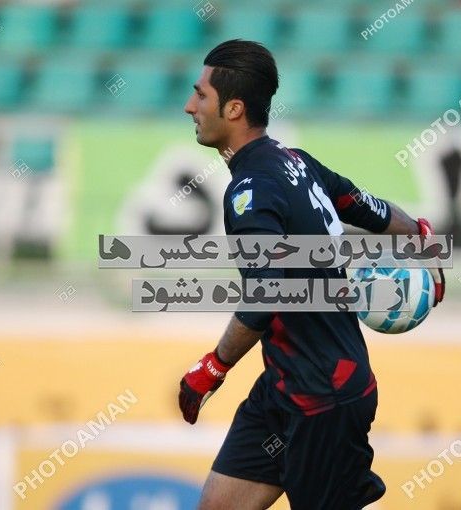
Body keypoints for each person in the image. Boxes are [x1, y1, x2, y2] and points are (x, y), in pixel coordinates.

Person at [178, 39, 445, 510]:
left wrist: (213, 367)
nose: (189, 106)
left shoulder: (251, 192)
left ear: (234, 109)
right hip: (282, 389)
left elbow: (266, 294)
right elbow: (364, 206)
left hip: (324, 399)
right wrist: (422, 236)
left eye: (201, 95)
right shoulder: (296, 162)